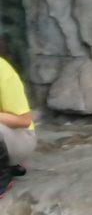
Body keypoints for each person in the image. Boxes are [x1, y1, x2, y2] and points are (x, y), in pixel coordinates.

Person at [0, 53, 35, 198]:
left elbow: (24, 120)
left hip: (18, 136)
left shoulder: (2, 69)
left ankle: (3, 174)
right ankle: (10, 166)